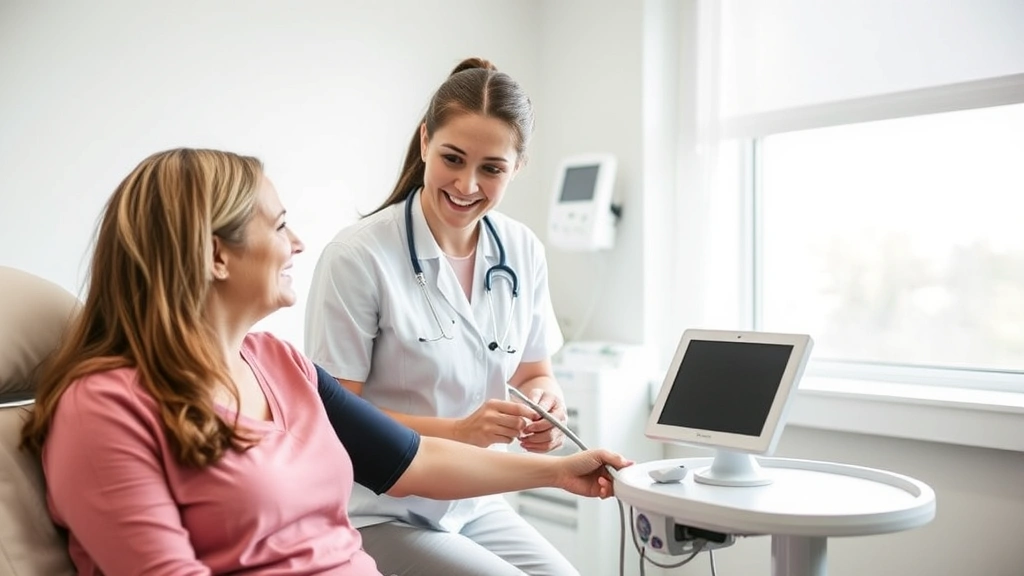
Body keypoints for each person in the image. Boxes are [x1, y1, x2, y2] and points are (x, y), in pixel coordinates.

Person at [19, 148, 630, 576]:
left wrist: (557, 472)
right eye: (281, 225)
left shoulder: (276, 362)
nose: (299, 243)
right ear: (215, 256)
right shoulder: (105, 408)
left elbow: (410, 460)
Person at [304, 57, 578, 576]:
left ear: (517, 167)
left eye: (492, 168)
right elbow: (334, 419)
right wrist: (459, 430)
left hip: (473, 500)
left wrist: (548, 410)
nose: (467, 184)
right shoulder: (358, 257)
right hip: (378, 509)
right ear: (425, 140)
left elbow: (535, 372)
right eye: (453, 158)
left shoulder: (521, 250)